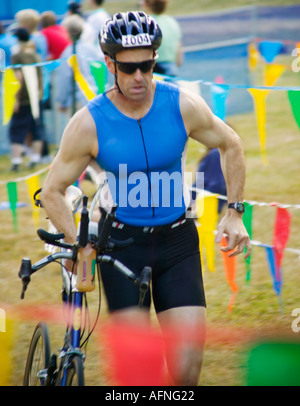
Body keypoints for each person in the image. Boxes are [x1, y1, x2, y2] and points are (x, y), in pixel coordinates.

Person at [40, 11, 251, 385]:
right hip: (120, 247)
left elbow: (230, 143)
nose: (139, 77)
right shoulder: (89, 122)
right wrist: (78, 243)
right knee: (138, 377)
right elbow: (53, 189)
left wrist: (234, 212)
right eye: (128, 67)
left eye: (147, 65)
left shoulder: (181, 104)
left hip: (178, 242)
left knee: (186, 372)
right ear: (110, 63)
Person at [8, 28, 45, 171]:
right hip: (37, 98)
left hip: (23, 99)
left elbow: (18, 78)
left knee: (16, 129)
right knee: (36, 128)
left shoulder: (17, 56)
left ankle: (16, 161)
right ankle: (35, 158)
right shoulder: (36, 55)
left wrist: (16, 99)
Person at [55, 14, 100, 114]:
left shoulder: (67, 53)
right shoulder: (92, 50)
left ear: (68, 32)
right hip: (95, 98)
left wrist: (62, 101)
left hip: (77, 101)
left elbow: (65, 79)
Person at [142, 0, 182, 76]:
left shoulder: (147, 22)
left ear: (146, 4)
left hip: (153, 67)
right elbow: (178, 49)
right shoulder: (172, 21)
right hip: (170, 67)